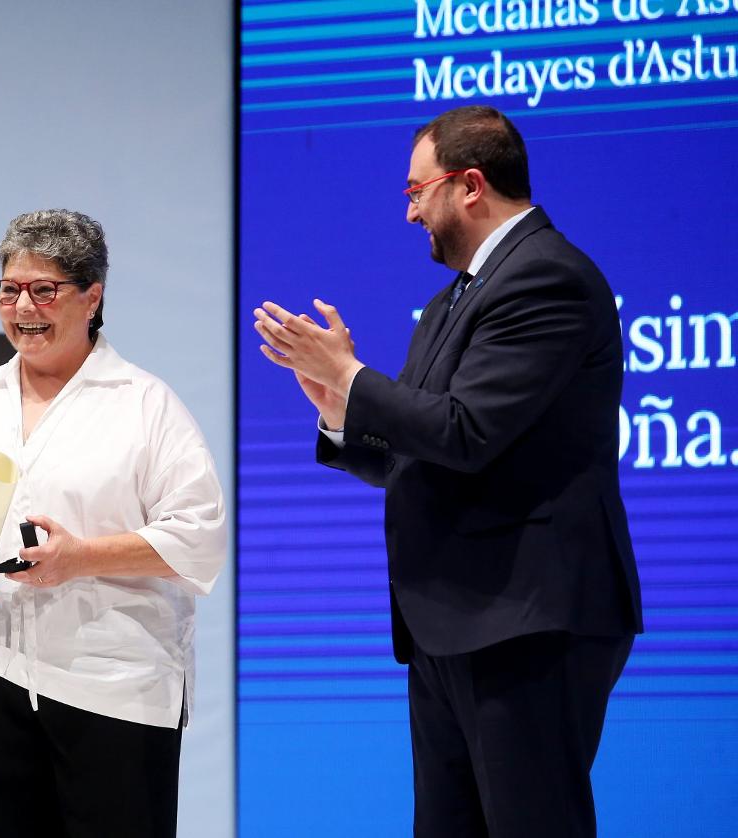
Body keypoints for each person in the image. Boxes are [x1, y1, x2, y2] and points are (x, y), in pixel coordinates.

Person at [253, 105, 643, 837]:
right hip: (450, 625)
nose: (409, 213)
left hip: (526, 620)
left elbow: (467, 433)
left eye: (415, 191)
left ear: (468, 184)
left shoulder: (547, 279)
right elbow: (416, 450)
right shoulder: (448, 303)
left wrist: (354, 373)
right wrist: (339, 404)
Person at [0, 209, 225, 838]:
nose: (24, 308)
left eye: (46, 290)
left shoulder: (145, 404)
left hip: (112, 686)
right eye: (10, 289)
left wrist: (82, 558)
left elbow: (197, 535)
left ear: (92, 296)